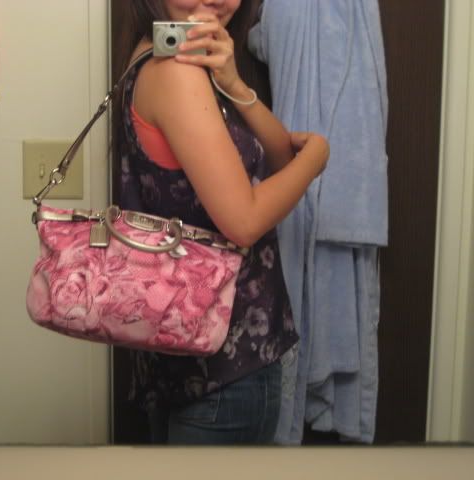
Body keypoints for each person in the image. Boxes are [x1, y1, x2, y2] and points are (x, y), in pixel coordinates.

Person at [113, 0, 329, 445]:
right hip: (224, 369)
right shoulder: (176, 73)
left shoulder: (159, 56)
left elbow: (278, 158)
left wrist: (233, 84)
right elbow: (244, 221)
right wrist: (317, 159)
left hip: (181, 357)